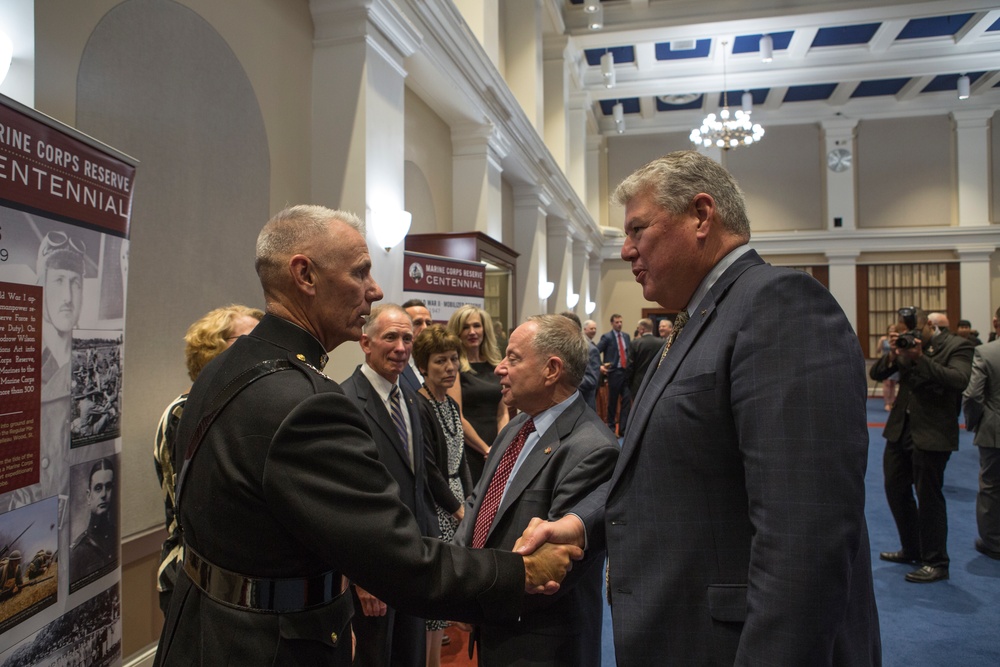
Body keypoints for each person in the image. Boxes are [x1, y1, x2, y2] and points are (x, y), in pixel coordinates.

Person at [153, 205, 580, 667]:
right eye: (360, 273)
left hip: (203, 630)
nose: (375, 290)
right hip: (269, 645)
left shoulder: (225, 369)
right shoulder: (307, 404)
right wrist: (521, 572)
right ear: (305, 275)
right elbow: (400, 562)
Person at [516, 151, 880, 665]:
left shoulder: (778, 305)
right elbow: (666, 469)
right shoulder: (704, 316)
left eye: (638, 229)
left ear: (702, 216)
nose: (624, 250)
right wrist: (580, 523)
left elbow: (805, 539)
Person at [455, 315, 619, 666]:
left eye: (513, 358)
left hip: (542, 644)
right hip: (496, 627)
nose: (499, 368)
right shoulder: (516, 426)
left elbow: (553, 569)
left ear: (551, 369)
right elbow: (478, 503)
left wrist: (473, 597)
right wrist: (460, 582)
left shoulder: (593, 448)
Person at [342, 304, 438, 667]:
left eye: (407, 338)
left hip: (412, 565)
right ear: (365, 343)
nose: (401, 347)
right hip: (374, 575)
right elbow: (346, 503)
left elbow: (419, 484)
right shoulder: (344, 401)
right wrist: (362, 579)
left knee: (409, 657)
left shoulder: (411, 398)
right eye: (391, 337)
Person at [153, 304, 263, 615]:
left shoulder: (235, 408)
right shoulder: (185, 414)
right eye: (249, 340)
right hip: (194, 580)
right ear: (212, 348)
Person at [871, 309, 973, 583]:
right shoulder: (905, 346)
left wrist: (920, 358)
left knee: (928, 496)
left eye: (912, 329)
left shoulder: (958, 346)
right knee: (894, 488)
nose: (909, 335)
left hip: (933, 433)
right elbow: (877, 372)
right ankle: (912, 549)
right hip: (900, 430)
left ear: (929, 326)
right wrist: (893, 354)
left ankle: (936, 561)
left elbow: (959, 380)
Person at [412, 324, 473, 667]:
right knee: (433, 595)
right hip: (435, 508)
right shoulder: (418, 405)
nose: (450, 367)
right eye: (440, 361)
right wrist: (458, 511)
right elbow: (429, 469)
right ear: (422, 366)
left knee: (444, 597)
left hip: (456, 499)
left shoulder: (449, 404)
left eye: (453, 359)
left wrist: (470, 501)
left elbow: (460, 459)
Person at [447, 305, 509, 485]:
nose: (472, 332)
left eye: (476, 326)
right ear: (457, 332)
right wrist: (486, 450)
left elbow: (502, 413)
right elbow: (457, 417)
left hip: (496, 447)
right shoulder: (455, 368)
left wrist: (499, 446)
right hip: (470, 450)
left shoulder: (496, 366)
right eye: (465, 327)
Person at [963, 307, 1000, 561]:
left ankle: (993, 543)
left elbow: (973, 396)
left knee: (991, 487)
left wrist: (973, 423)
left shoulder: (986, 352)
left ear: (996, 322)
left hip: (994, 431)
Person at [70, 458, 117, 583]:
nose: (103, 494)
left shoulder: (116, 537)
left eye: (108, 487)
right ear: (88, 496)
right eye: (98, 488)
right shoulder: (78, 552)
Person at [596, 314, 631, 435]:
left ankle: (623, 428)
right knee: (613, 401)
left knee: (627, 400)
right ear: (612, 323)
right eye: (617, 322)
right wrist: (600, 365)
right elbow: (596, 351)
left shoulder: (626, 336)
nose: (619, 324)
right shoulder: (607, 337)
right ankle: (611, 427)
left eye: (621, 322)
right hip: (614, 372)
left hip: (625, 372)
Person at [400, 299, 433, 392]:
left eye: (428, 323)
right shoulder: (396, 364)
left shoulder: (437, 363)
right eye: (417, 323)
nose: (425, 328)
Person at [627, 318, 661, 397]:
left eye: (638, 329)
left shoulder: (635, 343)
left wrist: (629, 383)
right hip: (656, 382)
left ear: (642, 329)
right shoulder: (662, 343)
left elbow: (630, 366)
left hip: (638, 383)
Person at [877, 324, 900, 411]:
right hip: (886, 363)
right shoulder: (883, 339)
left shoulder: (897, 339)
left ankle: (892, 403)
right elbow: (878, 350)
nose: (892, 331)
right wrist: (880, 342)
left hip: (895, 363)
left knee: (893, 383)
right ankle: (886, 403)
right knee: (887, 383)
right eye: (890, 329)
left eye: (894, 329)